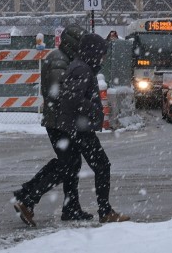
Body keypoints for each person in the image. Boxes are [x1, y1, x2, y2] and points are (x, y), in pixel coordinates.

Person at [13, 25, 89, 225]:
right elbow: (60, 91)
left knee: (71, 163)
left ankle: (70, 207)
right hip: (59, 121)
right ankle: (27, 196)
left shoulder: (64, 57)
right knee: (67, 164)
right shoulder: (59, 59)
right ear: (74, 42)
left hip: (60, 120)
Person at [56, 32, 130, 223]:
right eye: (101, 53)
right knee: (102, 166)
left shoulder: (81, 67)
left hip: (75, 127)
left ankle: (71, 208)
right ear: (93, 52)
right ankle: (105, 211)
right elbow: (72, 98)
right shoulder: (82, 69)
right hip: (80, 128)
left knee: (71, 168)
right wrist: (93, 110)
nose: (103, 58)